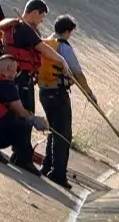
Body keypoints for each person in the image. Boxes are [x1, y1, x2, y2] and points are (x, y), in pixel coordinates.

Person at [38, 14, 98, 190]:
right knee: (63, 134)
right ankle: (58, 174)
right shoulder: (63, 47)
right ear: (67, 31)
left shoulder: (45, 43)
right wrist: (89, 94)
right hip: (58, 94)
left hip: (44, 91)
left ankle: (47, 166)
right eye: (71, 32)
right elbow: (77, 73)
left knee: (53, 129)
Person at [0, 0, 73, 115]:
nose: (42, 21)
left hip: (11, 77)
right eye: (41, 16)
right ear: (34, 13)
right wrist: (62, 60)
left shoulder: (14, 27)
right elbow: (44, 49)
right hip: (21, 79)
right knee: (26, 115)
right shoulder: (25, 29)